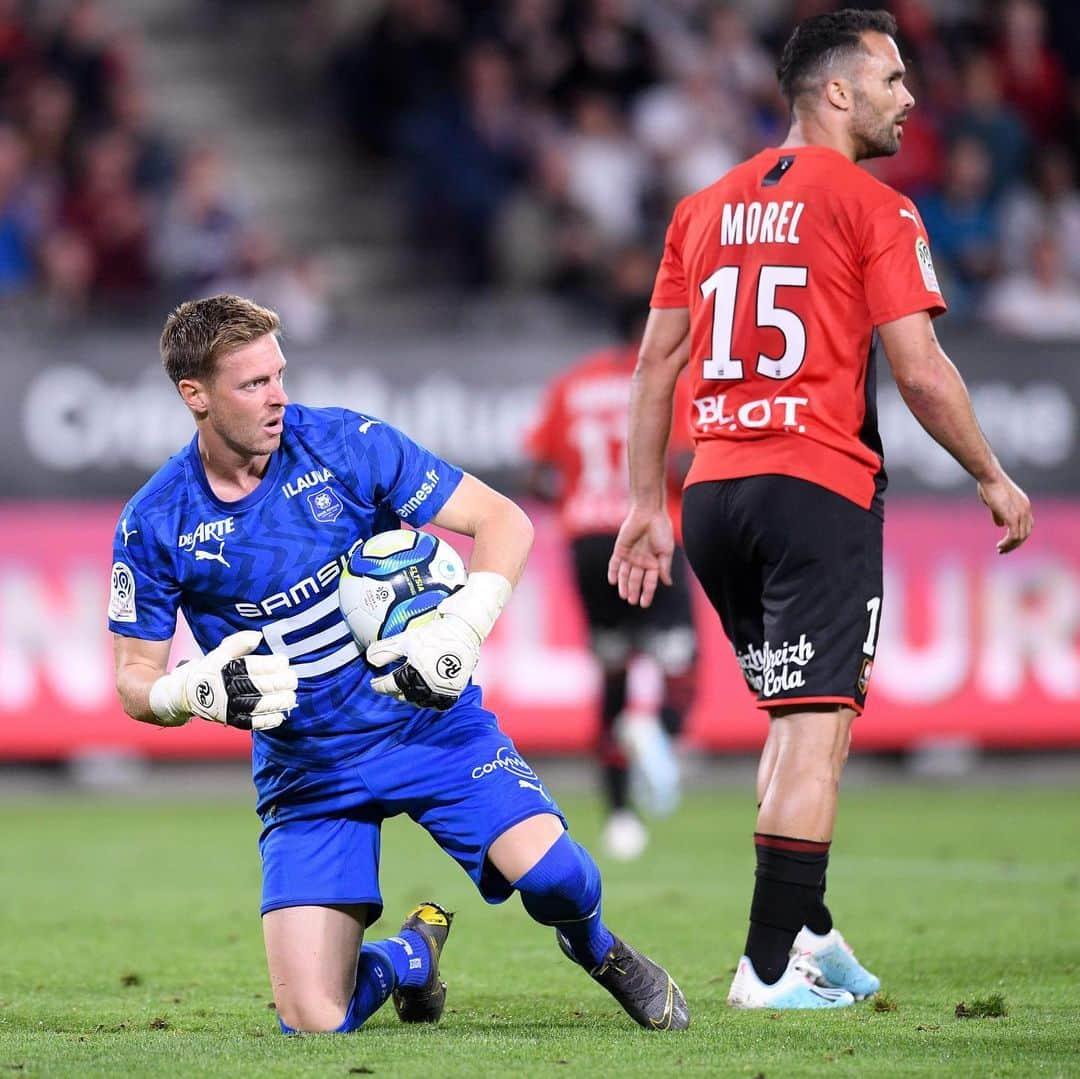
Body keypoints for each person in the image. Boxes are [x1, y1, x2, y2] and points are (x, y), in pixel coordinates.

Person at [108, 294, 689, 1034]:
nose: (279, 395)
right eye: (253, 384)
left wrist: (463, 624)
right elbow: (132, 676)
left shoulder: (347, 444)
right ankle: (413, 954)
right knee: (314, 1020)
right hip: (308, 770)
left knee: (555, 878)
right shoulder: (156, 520)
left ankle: (599, 948)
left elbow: (502, 520)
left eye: (279, 374)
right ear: (195, 395)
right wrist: (186, 688)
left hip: (427, 729)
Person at [608, 10, 1033, 1010]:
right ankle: (764, 972)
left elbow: (655, 364)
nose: (909, 98)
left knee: (788, 720)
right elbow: (921, 374)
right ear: (835, 93)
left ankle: (814, 935)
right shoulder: (875, 208)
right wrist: (991, 473)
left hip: (714, 494)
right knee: (817, 728)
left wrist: (643, 504)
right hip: (816, 488)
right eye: (891, 79)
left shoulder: (700, 208)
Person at [524, 247, 698, 861]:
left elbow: (540, 472)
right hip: (647, 531)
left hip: (586, 541)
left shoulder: (573, 383)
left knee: (613, 673)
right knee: (682, 662)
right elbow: (682, 461)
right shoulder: (665, 382)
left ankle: (621, 817)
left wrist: (580, 497)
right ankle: (661, 731)